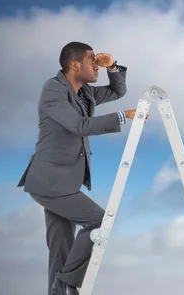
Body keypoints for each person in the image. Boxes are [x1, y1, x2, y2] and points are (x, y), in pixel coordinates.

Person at [17, 41, 140, 295]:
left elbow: (118, 92)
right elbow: (78, 126)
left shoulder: (85, 93)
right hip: (49, 181)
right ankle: (66, 283)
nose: (96, 66)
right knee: (98, 220)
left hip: (64, 181)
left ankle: (58, 288)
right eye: (92, 61)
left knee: (61, 250)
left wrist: (112, 66)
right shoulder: (53, 90)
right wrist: (122, 117)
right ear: (75, 65)